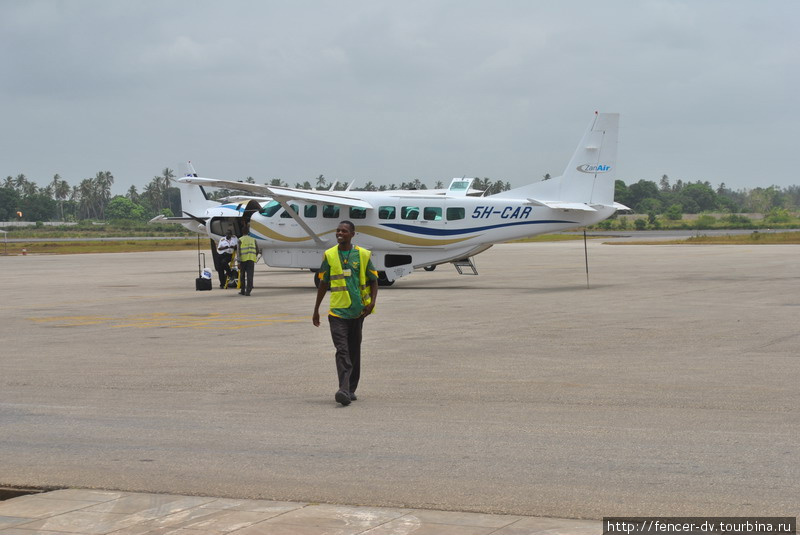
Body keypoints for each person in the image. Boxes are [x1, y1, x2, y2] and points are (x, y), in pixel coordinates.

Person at [312, 221, 378, 406]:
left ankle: (351, 388)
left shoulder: (363, 255)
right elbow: (323, 283)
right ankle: (343, 389)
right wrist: (316, 309)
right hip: (337, 313)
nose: (340, 233)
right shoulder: (330, 255)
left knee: (354, 351)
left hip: (357, 312)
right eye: (338, 230)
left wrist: (372, 302)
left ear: (352, 234)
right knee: (342, 351)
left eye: (344, 231)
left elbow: (373, 280)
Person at [237, 225, 259, 296]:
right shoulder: (253, 239)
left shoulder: (240, 240)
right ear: (248, 232)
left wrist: (238, 262)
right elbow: (257, 250)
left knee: (242, 276)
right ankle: (248, 291)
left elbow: (238, 252)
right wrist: (253, 256)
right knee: (250, 276)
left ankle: (243, 290)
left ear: (242, 232)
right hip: (251, 260)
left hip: (243, 260)